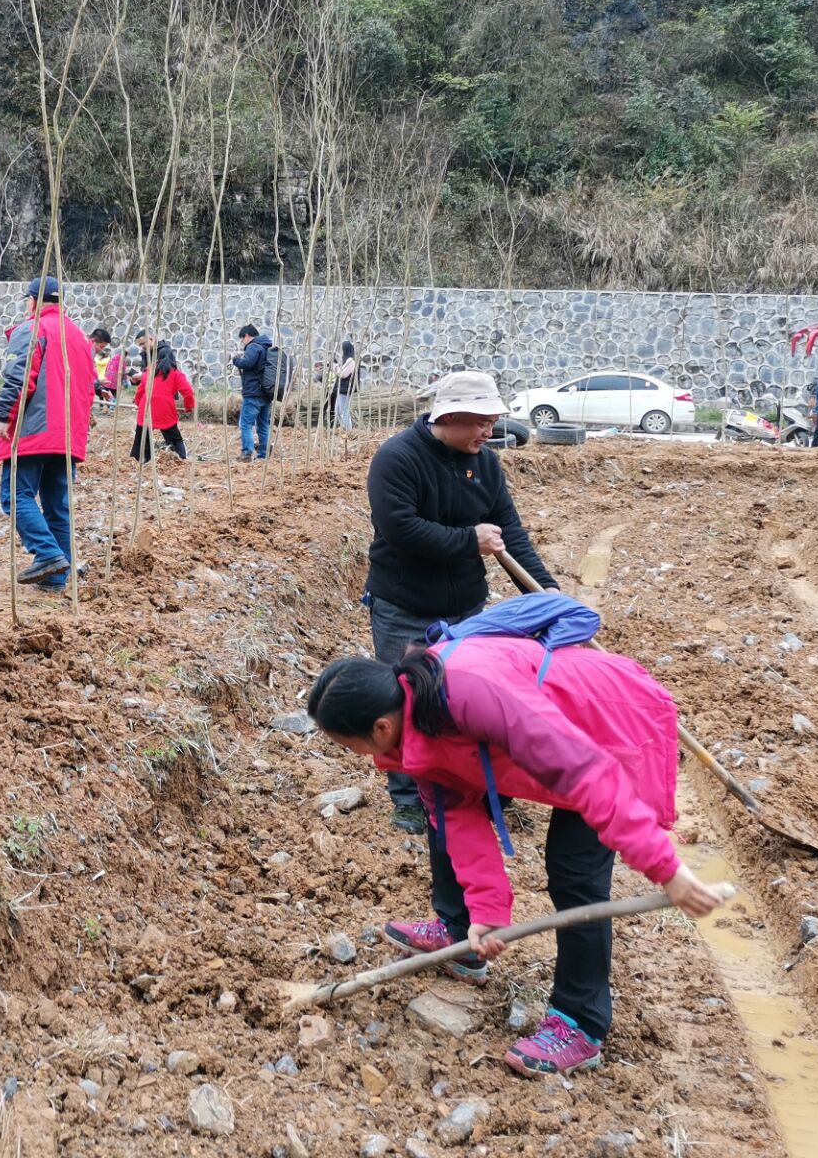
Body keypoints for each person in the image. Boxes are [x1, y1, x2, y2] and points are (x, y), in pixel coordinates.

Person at [305, 612, 727, 1077]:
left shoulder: (469, 691)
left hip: (608, 723)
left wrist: (668, 871)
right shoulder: (410, 727)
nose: (353, 754)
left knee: (575, 874)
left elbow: (585, 772)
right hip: (561, 742)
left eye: (347, 745)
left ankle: (581, 1023)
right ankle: (461, 940)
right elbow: (457, 817)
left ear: (380, 727)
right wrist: (487, 912)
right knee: (442, 824)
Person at [365, 370, 557, 833]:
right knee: (404, 702)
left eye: (492, 421)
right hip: (404, 606)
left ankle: (471, 787)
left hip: (467, 610)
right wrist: (469, 540)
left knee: (467, 702)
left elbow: (509, 532)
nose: (488, 432)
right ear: (448, 418)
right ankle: (408, 798)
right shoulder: (397, 459)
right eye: (479, 422)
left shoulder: (485, 464)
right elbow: (401, 530)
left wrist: (547, 592)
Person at [0, 277, 96, 591]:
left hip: (35, 429)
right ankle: (55, 580)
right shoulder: (80, 337)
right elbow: (89, 388)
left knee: (15, 496)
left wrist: (3, 415)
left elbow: (19, 377)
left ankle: (48, 553)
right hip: (68, 434)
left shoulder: (32, 329)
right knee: (57, 506)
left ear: (33, 301)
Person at [131, 339, 196, 462]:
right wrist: (189, 406)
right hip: (165, 410)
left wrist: (139, 404)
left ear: (156, 358)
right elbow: (188, 392)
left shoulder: (148, 371)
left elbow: (140, 391)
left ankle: (141, 461)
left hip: (146, 409)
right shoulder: (176, 373)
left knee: (142, 439)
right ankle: (181, 458)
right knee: (175, 438)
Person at [233, 323, 275, 460]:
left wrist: (236, 360)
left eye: (242, 339)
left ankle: (247, 452)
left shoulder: (253, 346)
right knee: (263, 426)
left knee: (245, 424)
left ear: (246, 336)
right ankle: (263, 454)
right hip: (266, 393)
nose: (242, 342)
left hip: (253, 393)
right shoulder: (267, 347)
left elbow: (248, 363)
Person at [90, 328, 123, 403]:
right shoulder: (86, 354)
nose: (101, 350)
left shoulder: (93, 358)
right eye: (101, 346)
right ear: (92, 341)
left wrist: (98, 387)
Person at [335, 340, 359, 430]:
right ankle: (344, 428)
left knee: (344, 411)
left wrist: (336, 368)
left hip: (345, 390)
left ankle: (348, 431)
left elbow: (343, 374)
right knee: (337, 411)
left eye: (342, 349)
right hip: (341, 389)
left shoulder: (350, 361)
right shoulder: (346, 361)